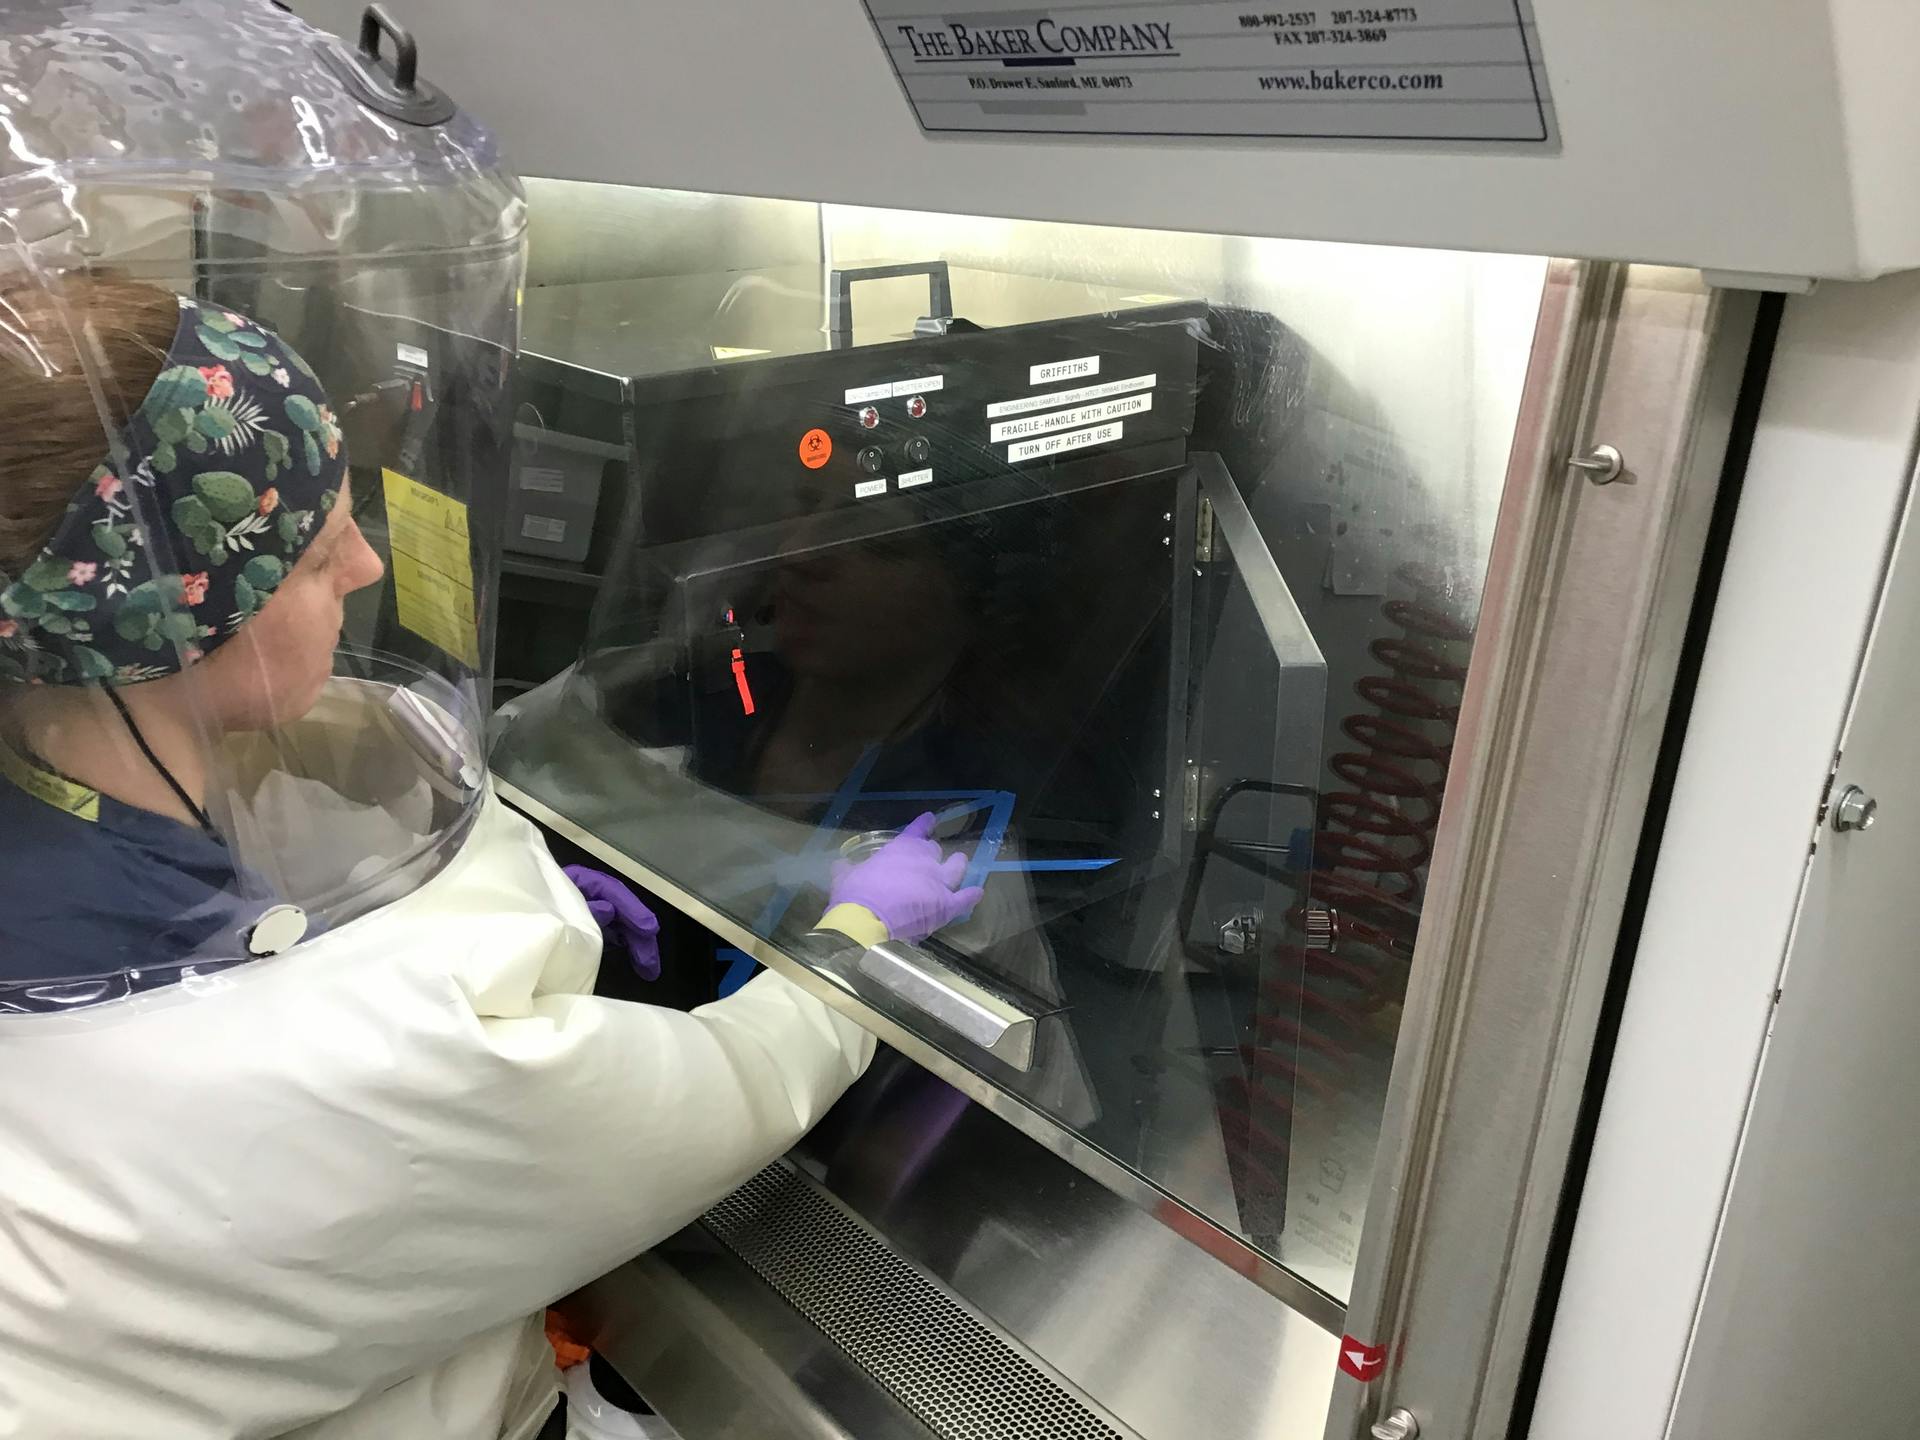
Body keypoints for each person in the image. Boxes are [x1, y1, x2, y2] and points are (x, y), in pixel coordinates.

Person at [0, 273, 979, 1438]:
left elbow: (302, 770)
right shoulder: (358, 1062)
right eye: (318, 558)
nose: (368, 572)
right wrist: (853, 938)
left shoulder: (66, 771)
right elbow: (730, 1095)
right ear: (166, 616)